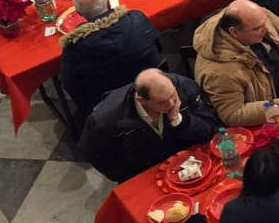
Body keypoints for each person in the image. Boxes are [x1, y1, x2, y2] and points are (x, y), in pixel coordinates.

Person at [78, 68, 217, 182]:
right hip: (145, 176)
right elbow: (94, 153)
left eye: (172, 95)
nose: (172, 104)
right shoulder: (105, 119)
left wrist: (179, 120)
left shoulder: (184, 87)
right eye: (162, 102)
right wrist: (130, 177)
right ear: (141, 100)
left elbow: (210, 130)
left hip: (190, 164)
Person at [59, 0, 165, 126]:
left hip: (110, 105)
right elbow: (159, 45)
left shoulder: (74, 48)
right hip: (152, 86)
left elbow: (72, 87)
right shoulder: (136, 18)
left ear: (79, 14)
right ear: (109, 3)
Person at [192, 0, 279, 127]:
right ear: (234, 32)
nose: (266, 29)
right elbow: (232, 115)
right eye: (257, 29)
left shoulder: (246, 19)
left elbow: (264, 14)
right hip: (272, 103)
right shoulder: (219, 73)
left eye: (264, 24)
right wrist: (275, 109)